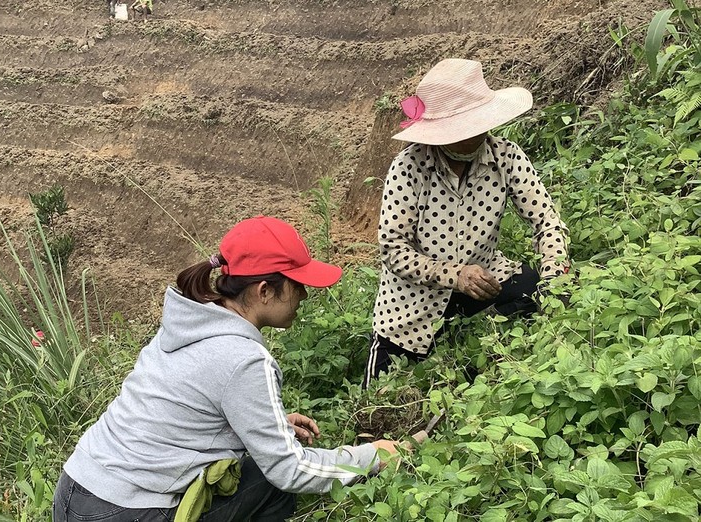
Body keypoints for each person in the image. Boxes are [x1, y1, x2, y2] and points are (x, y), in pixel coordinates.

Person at [54, 216, 399, 522]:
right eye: (298, 286)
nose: (304, 297)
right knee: (272, 484)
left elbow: (189, 407)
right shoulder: (246, 358)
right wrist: (372, 456)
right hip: (126, 510)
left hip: (75, 489)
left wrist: (262, 425)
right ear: (265, 291)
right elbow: (289, 470)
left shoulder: (189, 321)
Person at [364, 59, 570, 386]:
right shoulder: (409, 168)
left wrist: (555, 275)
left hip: (483, 281)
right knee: (379, 401)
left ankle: (475, 369)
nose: (477, 135)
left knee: (533, 291)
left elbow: (545, 220)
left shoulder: (506, 157)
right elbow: (393, 249)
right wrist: (455, 274)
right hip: (414, 305)